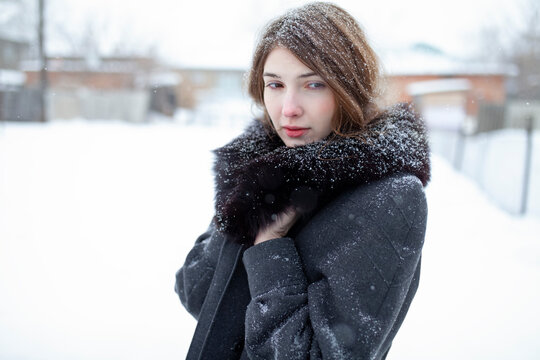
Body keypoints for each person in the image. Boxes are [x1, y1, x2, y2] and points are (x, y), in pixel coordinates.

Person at [175, 2, 430, 359]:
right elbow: (196, 292)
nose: (289, 107)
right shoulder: (264, 174)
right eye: (275, 84)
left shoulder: (389, 198)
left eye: (313, 84)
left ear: (349, 88)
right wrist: (247, 202)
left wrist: (268, 246)